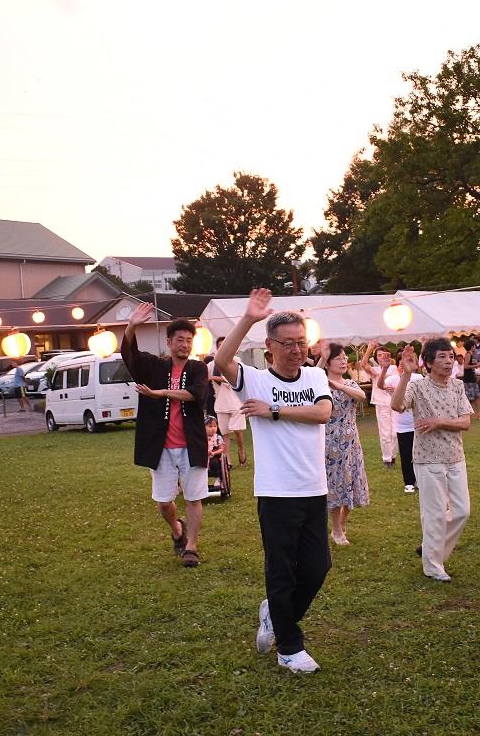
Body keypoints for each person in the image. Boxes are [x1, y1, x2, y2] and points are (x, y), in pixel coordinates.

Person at [214, 289, 333, 674]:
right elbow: (221, 359)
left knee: (317, 568)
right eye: (288, 343)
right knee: (281, 570)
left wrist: (275, 410)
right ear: (270, 346)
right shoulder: (254, 380)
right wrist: (247, 317)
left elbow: (322, 414)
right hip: (276, 491)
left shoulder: (315, 375)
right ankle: (289, 646)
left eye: (302, 342)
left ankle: (275, 616)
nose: (297, 350)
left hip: (314, 486)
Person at [121, 307, 211, 569]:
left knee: (194, 497)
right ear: (169, 342)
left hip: (191, 444)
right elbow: (130, 356)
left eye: (188, 340)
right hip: (160, 446)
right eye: (179, 340)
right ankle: (176, 528)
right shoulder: (154, 366)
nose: (184, 344)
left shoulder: (198, 368)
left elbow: (196, 395)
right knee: (163, 502)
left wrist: (160, 393)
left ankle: (191, 547)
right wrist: (131, 326)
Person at [391, 339, 473, 583]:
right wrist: (406, 374)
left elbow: (465, 422)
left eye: (450, 356)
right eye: (442, 357)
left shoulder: (457, 386)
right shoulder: (418, 387)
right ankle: (433, 565)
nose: (449, 361)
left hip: (455, 456)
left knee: (462, 511)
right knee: (435, 513)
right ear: (428, 363)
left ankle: (430, 548)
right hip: (428, 460)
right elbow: (396, 405)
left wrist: (438, 422)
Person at [317, 342, 370, 545]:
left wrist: (338, 385)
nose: (344, 361)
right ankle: (337, 530)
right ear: (328, 364)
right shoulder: (319, 384)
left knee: (352, 484)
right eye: (339, 358)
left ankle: (340, 524)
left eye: (345, 358)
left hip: (351, 443)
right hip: (329, 443)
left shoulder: (350, 383)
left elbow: (362, 396)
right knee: (335, 486)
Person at [380, 351, 417, 494]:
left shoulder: (418, 378)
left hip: (418, 423)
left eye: (408, 362)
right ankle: (409, 482)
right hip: (403, 426)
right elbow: (381, 385)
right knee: (406, 454)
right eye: (401, 364)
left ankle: (419, 479)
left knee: (419, 454)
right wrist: (384, 369)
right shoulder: (393, 379)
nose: (404, 366)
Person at [208, 336, 248, 466]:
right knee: (225, 433)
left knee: (237, 430)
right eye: (219, 345)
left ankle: (241, 449)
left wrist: (212, 377)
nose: (222, 347)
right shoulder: (211, 364)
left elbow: (232, 379)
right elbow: (205, 376)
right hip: (220, 403)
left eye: (224, 344)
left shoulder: (236, 361)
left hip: (236, 402)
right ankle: (228, 460)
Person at [359, 342, 398, 468]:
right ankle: (387, 459)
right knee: (385, 433)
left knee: (395, 433)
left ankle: (393, 455)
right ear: (376, 358)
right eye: (379, 355)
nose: (381, 357)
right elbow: (363, 364)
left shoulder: (394, 368)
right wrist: (370, 348)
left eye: (383, 354)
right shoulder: (374, 370)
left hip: (394, 402)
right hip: (381, 404)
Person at [461, 339, 480, 419]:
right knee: (469, 397)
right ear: (472, 346)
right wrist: (476, 366)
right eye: (474, 346)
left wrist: (479, 363)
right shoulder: (468, 354)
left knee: (477, 395)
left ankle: (479, 413)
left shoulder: (473, 355)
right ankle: (465, 413)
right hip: (468, 378)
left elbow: (474, 364)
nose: (476, 347)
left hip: (473, 377)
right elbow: (466, 366)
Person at [205, 416, 226, 493]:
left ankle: (218, 478)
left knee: (214, 462)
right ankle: (202, 482)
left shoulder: (218, 437)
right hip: (204, 455)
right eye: (210, 426)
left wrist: (214, 453)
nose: (213, 428)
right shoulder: (201, 437)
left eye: (215, 426)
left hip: (215, 455)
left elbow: (221, 448)